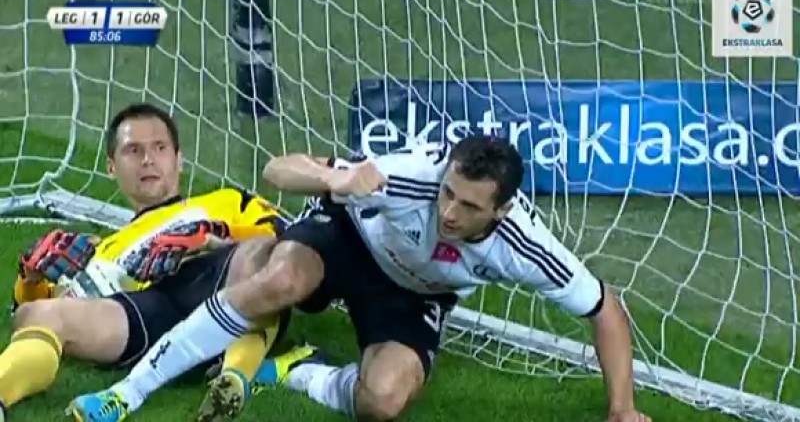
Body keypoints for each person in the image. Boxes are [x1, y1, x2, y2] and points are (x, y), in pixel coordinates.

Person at [72, 135, 652, 422]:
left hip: (414, 291)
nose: (449, 212)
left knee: (384, 401)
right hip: (349, 240)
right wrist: (335, 181)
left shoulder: (526, 245)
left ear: (500, 211)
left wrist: (622, 410)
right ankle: (127, 393)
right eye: (448, 193)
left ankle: (298, 371)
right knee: (281, 279)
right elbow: (278, 169)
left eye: (469, 207)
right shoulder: (409, 176)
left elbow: (605, 308)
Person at [0, 103, 307, 422]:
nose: (148, 159)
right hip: (146, 309)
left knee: (262, 252)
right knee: (40, 315)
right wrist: (31, 276)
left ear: (179, 159)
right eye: (133, 150)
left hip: (216, 284)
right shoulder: (102, 249)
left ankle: (234, 376)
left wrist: (213, 238)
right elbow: (37, 309)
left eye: (159, 148)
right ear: (111, 166)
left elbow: (288, 245)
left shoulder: (226, 202)